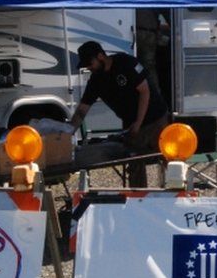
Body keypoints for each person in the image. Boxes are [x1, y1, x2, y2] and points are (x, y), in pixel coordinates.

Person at [69, 41, 169, 187]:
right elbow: (82, 111)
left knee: (167, 155)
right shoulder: (96, 80)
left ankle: (176, 191)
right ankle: (138, 197)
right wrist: (67, 133)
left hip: (155, 117)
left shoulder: (125, 63)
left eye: (90, 63)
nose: (89, 68)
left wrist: (138, 123)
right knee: (134, 161)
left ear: (101, 56)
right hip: (131, 123)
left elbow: (144, 91)